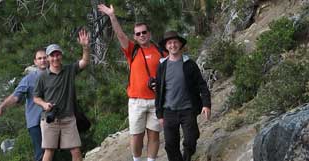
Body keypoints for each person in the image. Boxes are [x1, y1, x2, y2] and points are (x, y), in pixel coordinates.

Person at [98, 4, 166, 161]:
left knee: (154, 135)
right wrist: (112, 16)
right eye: (138, 33)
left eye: (144, 32)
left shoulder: (160, 51)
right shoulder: (132, 50)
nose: (142, 35)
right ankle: (136, 159)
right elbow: (120, 35)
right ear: (135, 37)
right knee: (136, 135)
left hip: (157, 100)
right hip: (136, 101)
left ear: (149, 33)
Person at [33, 29, 90, 161]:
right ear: (48, 58)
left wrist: (85, 47)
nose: (55, 58)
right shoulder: (42, 77)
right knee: (49, 151)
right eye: (52, 56)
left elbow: (85, 62)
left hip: (68, 118)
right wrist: (44, 104)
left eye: (57, 55)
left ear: (61, 56)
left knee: (76, 150)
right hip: (49, 119)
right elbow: (36, 98)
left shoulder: (69, 70)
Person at [153, 31, 211, 161]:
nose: (173, 45)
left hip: (188, 109)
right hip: (168, 112)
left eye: (175, 42)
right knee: (170, 145)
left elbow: (202, 85)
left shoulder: (190, 64)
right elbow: (159, 91)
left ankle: (187, 158)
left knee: (191, 139)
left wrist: (206, 104)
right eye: (169, 43)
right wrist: (159, 114)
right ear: (166, 46)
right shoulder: (162, 66)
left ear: (180, 44)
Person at [0, 48, 48, 161]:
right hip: (35, 122)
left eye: (45, 57)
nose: (43, 60)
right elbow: (15, 96)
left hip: (52, 120)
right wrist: (1, 106)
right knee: (41, 154)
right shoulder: (29, 79)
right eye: (39, 58)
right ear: (35, 62)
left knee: (53, 152)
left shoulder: (54, 75)